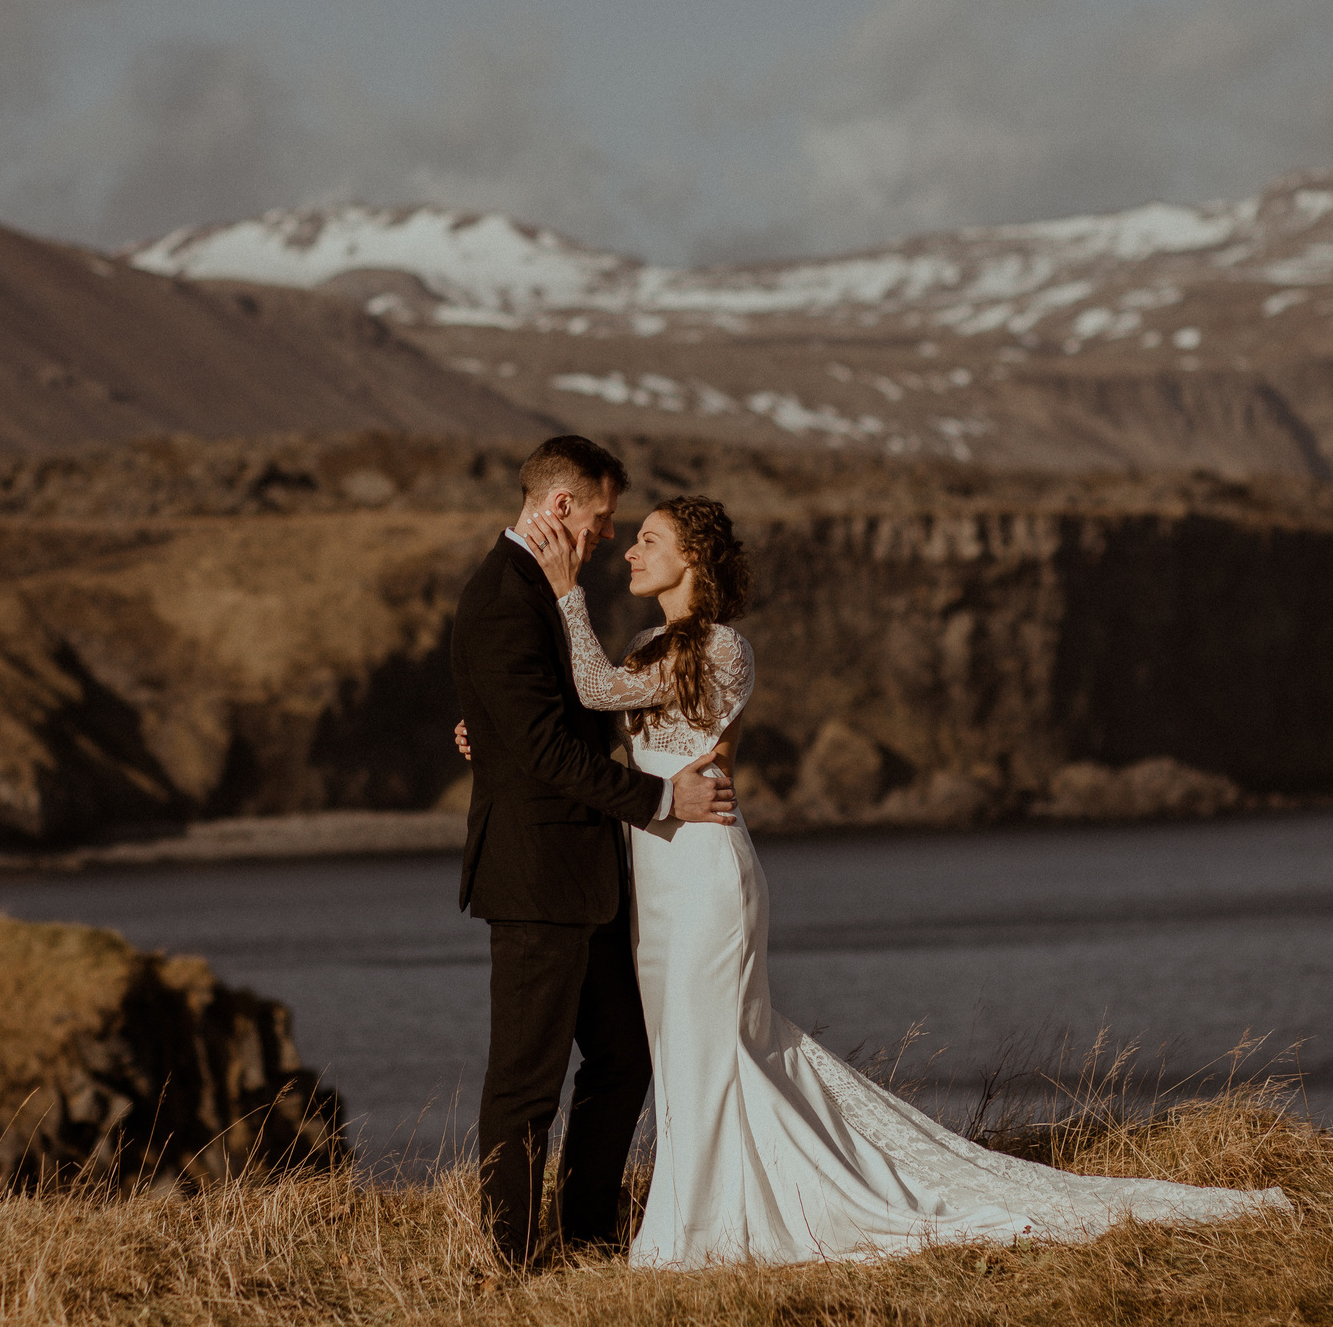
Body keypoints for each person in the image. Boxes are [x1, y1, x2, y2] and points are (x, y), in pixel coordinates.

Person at [518, 491, 1290, 1267]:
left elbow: (597, 689)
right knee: (685, 1045)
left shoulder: (723, 648)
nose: (630, 551)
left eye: (648, 539)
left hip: (704, 873)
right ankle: (706, 1209)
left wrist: (565, 592)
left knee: (710, 1041)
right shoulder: (649, 641)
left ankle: (703, 1226)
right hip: (656, 875)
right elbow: (601, 719)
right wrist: (501, 736)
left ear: (691, 558)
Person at [449, 435, 738, 1271]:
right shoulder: (505, 595)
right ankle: (508, 1258)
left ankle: (587, 1234)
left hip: (587, 875)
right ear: (563, 507)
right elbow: (544, 748)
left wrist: (488, 737)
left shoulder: (541, 589)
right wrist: (659, 799)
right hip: (537, 875)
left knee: (623, 1054)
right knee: (526, 1082)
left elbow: (547, 716)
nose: (611, 536)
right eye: (606, 518)